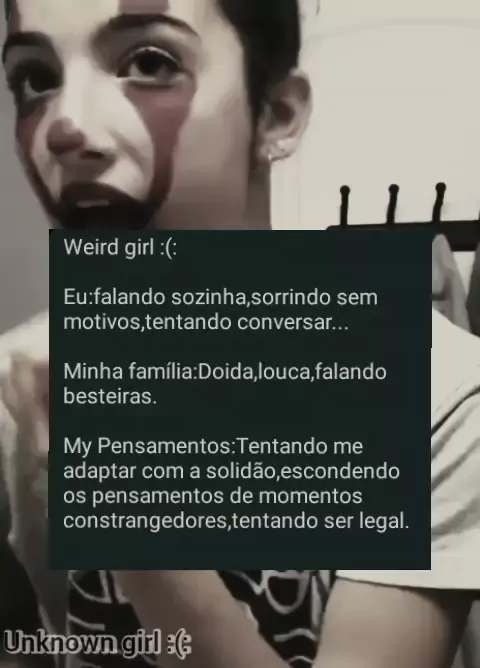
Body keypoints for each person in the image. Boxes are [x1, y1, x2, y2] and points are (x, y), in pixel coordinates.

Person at [0, 1, 479, 668]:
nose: (64, 127)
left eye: (149, 63)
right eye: (35, 78)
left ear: (276, 114)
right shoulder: (23, 385)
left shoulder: (434, 391)